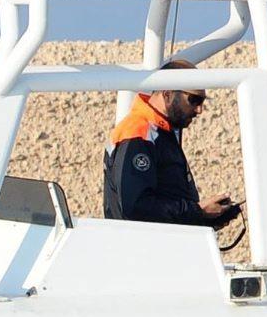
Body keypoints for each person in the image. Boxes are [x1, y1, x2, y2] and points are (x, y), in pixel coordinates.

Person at [104, 60, 243, 231]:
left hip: (159, 243)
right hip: (143, 245)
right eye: (194, 100)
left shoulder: (161, 133)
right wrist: (198, 211)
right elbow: (136, 207)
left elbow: (163, 207)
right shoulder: (139, 132)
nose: (199, 110)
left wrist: (206, 218)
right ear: (167, 94)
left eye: (202, 102)